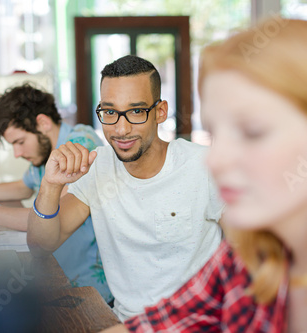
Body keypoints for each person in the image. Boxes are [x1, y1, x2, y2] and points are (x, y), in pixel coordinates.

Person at [100, 18, 307, 332]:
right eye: (215, 134)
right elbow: (157, 324)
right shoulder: (252, 257)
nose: (215, 160)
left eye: (252, 132)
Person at [27, 55, 224, 321]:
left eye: (136, 111)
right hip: (125, 321)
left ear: (160, 112)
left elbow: (253, 260)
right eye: (110, 112)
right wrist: (50, 185)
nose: (121, 129)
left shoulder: (205, 166)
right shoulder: (98, 167)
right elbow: (41, 244)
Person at [0, 83, 113, 302]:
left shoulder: (78, 146)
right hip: (59, 281)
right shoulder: (43, 156)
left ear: (43, 123)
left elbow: (43, 218)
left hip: (89, 293)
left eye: (20, 142)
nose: (17, 153)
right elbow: (23, 187)